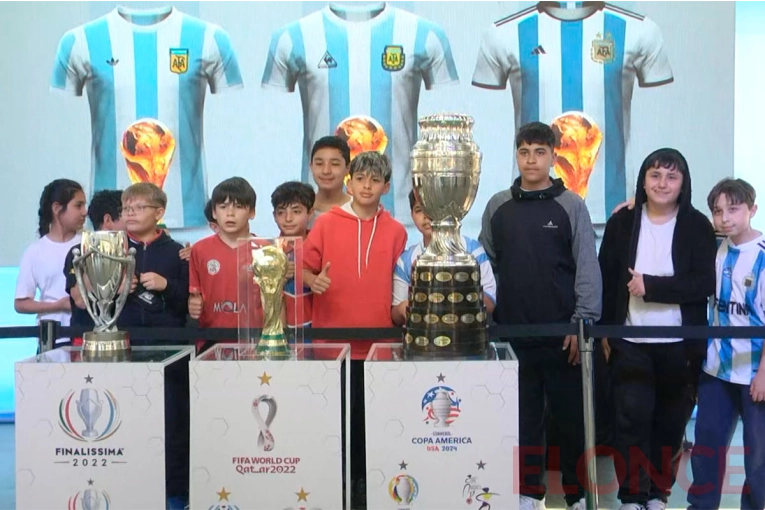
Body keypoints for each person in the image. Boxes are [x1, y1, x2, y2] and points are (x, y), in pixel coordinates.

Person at [479, 121, 601, 510]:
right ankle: (528, 494)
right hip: (513, 336)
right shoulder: (498, 205)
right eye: (524, 152)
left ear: (553, 156)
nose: (531, 160)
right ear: (516, 155)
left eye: (539, 152)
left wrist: (581, 323)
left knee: (571, 421)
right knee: (522, 421)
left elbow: (586, 266)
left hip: (564, 335)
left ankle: (576, 494)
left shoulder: (571, 205)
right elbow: (487, 267)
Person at [598, 148, 716, 510]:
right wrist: (604, 331)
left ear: (684, 184)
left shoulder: (697, 226)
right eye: (655, 175)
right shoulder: (622, 222)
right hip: (630, 341)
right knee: (630, 421)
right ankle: (633, 496)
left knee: (670, 425)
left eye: (672, 176)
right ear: (644, 181)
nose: (662, 183)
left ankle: (657, 494)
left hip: (681, 344)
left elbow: (703, 283)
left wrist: (652, 287)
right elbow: (605, 276)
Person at [303, 151, 407, 508]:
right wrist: (313, 280)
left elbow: (402, 285)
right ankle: (336, 488)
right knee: (335, 425)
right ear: (349, 182)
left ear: (386, 186)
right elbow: (300, 268)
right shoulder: (325, 224)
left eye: (374, 180)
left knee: (372, 426)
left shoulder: (396, 232)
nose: (366, 185)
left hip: (380, 347)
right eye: (360, 178)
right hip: (332, 347)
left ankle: (366, 488)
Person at [688, 178, 765, 510]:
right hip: (716, 372)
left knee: (758, 456)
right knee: (707, 449)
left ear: (752, 209)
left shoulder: (761, 257)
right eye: (718, 211)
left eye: (733, 209)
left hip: (755, 376)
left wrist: (763, 374)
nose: (725, 218)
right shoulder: (717, 249)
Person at [392, 190, 496, 325]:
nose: (427, 216)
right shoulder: (406, 260)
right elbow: (396, 314)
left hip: (465, 336)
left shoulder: (473, 251)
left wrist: (452, 302)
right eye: (419, 210)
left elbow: (490, 302)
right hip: (423, 341)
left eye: (434, 208)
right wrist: (403, 309)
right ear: (411, 215)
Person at [188, 178, 261, 354]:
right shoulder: (199, 249)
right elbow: (194, 294)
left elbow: (277, 303)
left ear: (252, 212)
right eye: (223, 207)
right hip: (211, 342)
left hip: (256, 342)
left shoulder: (266, 250)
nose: (230, 213)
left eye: (238, 206)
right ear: (213, 212)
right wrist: (193, 303)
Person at [15, 179, 87, 347]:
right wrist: (57, 305)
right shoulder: (35, 251)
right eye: (78, 206)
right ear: (57, 209)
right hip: (52, 337)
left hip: (87, 335)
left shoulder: (89, 243)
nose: (84, 212)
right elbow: (21, 303)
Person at [63, 190, 125, 345]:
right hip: (85, 336)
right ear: (108, 220)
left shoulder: (129, 251)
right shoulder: (77, 253)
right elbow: (80, 300)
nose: (132, 217)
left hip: (122, 335)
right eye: (127, 211)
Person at [272, 181, 315, 330]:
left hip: (318, 331)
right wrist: (279, 280)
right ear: (274, 216)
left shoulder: (319, 247)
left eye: (296, 211)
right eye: (281, 212)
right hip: (283, 331)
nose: (288, 218)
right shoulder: (269, 252)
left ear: (310, 213)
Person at [308, 136, 351, 227]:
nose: (326, 171)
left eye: (334, 164)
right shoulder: (300, 210)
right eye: (319, 164)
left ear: (347, 168)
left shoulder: (358, 210)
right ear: (311, 167)